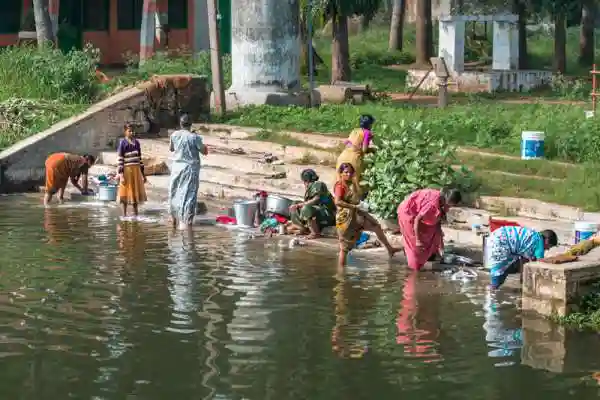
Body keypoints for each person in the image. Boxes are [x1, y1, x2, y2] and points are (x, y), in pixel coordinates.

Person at [334, 163, 400, 267]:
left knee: (376, 226)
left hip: (357, 216)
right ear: (341, 173)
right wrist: (353, 206)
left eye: (351, 172)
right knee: (344, 248)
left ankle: (390, 249)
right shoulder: (340, 186)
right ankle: (341, 275)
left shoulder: (351, 184)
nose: (349, 174)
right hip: (345, 219)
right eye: (346, 172)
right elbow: (337, 202)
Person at [396, 187, 462, 271]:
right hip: (407, 213)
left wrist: (441, 246)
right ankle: (414, 271)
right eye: (451, 205)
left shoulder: (441, 199)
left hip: (416, 211)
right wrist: (418, 240)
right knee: (416, 248)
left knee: (430, 232)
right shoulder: (432, 205)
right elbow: (417, 220)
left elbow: (437, 226)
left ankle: (431, 254)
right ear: (448, 201)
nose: (450, 208)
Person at [168, 113, 208, 229]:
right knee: (188, 194)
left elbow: (171, 149)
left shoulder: (174, 135)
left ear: (180, 124)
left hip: (176, 168)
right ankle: (187, 223)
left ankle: (173, 219)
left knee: (174, 192)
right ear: (191, 125)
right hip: (190, 169)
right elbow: (204, 151)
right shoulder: (194, 137)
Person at [486, 226, 558, 289]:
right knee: (499, 268)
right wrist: (551, 260)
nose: (547, 249)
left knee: (503, 266)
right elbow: (540, 262)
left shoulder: (532, 236)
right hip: (502, 242)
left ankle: (495, 285)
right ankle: (492, 290)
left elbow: (524, 260)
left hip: (497, 235)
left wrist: (523, 279)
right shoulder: (540, 242)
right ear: (547, 241)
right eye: (549, 247)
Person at [288, 169, 336, 238]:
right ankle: (301, 227)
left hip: (328, 214)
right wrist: (297, 205)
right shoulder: (310, 188)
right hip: (319, 213)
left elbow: (316, 199)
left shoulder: (318, 184)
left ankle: (315, 233)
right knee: (295, 203)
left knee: (306, 208)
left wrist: (299, 205)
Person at [335, 114, 375, 194]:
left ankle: (339, 198)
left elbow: (346, 143)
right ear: (370, 124)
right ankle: (356, 200)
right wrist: (372, 150)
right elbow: (364, 149)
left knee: (341, 180)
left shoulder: (355, 130)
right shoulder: (367, 132)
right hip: (354, 159)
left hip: (343, 156)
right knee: (355, 181)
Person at [117, 123, 147, 217]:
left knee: (135, 193)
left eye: (133, 131)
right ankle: (124, 215)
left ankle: (135, 215)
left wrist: (143, 174)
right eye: (129, 131)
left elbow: (140, 159)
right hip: (127, 171)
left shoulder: (137, 143)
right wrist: (121, 175)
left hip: (136, 171)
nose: (132, 132)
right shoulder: (123, 143)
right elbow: (120, 160)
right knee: (125, 193)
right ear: (125, 132)